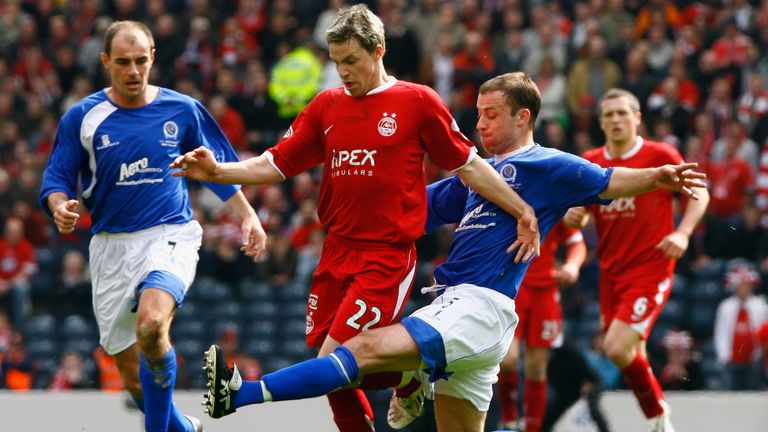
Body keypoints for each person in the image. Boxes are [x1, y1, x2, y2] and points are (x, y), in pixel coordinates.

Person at [188, 72, 706, 432]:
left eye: (491, 115)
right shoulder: (472, 178)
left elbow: (608, 180)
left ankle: (240, 392)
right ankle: (416, 379)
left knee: (360, 351)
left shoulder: (547, 165)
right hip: (462, 314)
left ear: (523, 117)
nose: (479, 124)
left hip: (477, 306)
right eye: (477, 114)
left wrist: (656, 177)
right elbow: (409, 212)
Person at [171, 5, 539, 431]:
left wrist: (521, 209)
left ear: (377, 50)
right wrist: (217, 170)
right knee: (336, 380)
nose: (343, 72)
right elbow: (274, 164)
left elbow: (470, 166)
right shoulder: (327, 105)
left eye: (351, 61)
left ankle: (244, 392)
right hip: (335, 252)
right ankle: (408, 375)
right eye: (336, 62)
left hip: (384, 257)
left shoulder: (417, 101)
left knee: (332, 361)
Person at [38, 21, 265, 432]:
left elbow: (219, 168)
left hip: (169, 235)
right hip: (109, 248)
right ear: (106, 61)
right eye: (122, 62)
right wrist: (59, 206)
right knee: (132, 377)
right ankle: (184, 429)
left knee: (151, 324)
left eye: (141, 60)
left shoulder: (182, 109)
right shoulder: (83, 117)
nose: (133, 70)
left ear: (153, 58)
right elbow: (56, 179)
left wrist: (248, 215)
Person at [564, 88, 710, 432]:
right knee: (631, 354)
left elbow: (699, 192)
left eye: (622, 113)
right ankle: (659, 419)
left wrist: (683, 232)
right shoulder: (590, 160)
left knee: (615, 347)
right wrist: (576, 216)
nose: (615, 120)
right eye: (608, 114)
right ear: (600, 122)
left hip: (651, 266)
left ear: (637, 118)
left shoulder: (659, 154)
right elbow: (581, 213)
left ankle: (656, 413)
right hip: (610, 272)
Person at [496, 221, 587, 432]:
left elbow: (577, 243)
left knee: (537, 366)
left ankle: (532, 428)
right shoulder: (510, 196)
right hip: (514, 285)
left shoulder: (557, 200)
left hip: (545, 290)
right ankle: (508, 421)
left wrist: (572, 266)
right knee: (508, 359)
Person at [713, 262, 768, 390]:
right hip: (730, 360)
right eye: (740, 286)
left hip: (754, 360)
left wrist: (760, 355)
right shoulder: (725, 306)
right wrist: (723, 356)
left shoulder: (761, 306)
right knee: (729, 394)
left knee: (753, 394)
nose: (743, 289)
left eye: (746, 285)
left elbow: (764, 331)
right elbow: (720, 333)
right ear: (734, 287)